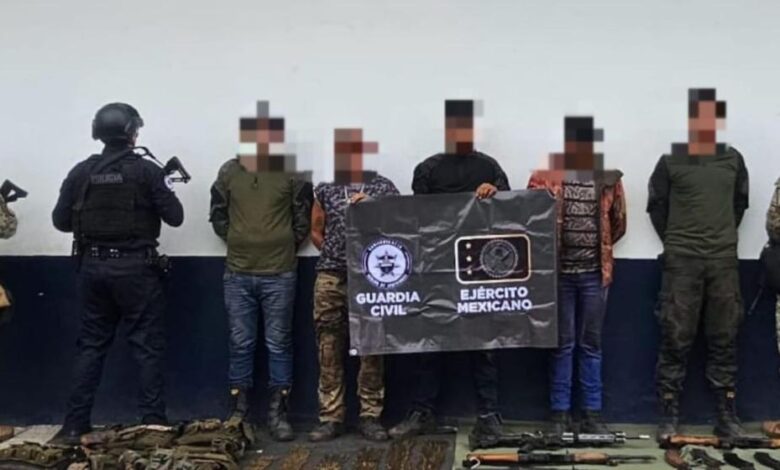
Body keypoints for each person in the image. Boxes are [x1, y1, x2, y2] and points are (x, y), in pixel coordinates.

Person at [50, 103, 184, 445]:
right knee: (147, 347)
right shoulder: (147, 172)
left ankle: (74, 425)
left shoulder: (81, 172)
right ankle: (153, 425)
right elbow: (175, 217)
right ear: (132, 133)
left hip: (92, 268)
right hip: (136, 270)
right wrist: (167, 183)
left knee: (91, 346)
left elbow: (60, 221)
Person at [389, 100, 509, 443]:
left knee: (484, 347)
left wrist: (495, 193)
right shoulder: (428, 169)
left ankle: (489, 415)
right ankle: (422, 412)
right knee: (429, 346)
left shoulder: (490, 167)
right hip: (436, 272)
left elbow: (508, 214)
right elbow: (417, 221)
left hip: (478, 273)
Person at [647, 89, 749, 441]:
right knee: (675, 339)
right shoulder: (671, 161)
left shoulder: (733, 159)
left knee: (725, 338)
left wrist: (719, 238)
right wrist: (677, 242)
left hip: (723, 262)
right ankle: (668, 417)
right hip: (682, 263)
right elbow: (656, 207)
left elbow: (739, 204)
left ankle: (726, 416)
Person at [209, 103, 312, 441]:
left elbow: (302, 218)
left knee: (278, 343)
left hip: (280, 273)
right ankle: (239, 412)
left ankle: (277, 413)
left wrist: (281, 244)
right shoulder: (228, 172)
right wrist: (238, 240)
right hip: (238, 273)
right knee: (240, 343)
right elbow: (218, 214)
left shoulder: (293, 173)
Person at [528, 116, 627, 434]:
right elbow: (529, 217)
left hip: (595, 276)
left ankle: (591, 416)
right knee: (562, 344)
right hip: (558, 277)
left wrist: (601, 250)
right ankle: (559, 415)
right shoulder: (545, 177)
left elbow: (619, 221)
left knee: (591, 345)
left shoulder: (609, 178)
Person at [308, 128, 400, 442]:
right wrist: (334, 253)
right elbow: (316, 230)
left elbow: (402, 224)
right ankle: (331, 417)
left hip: (372, 277)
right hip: (332, 276)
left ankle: (370, 416)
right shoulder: (325, 189)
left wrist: (374, 206)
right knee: (329, 346)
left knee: (371, 347)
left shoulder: (383, 187)